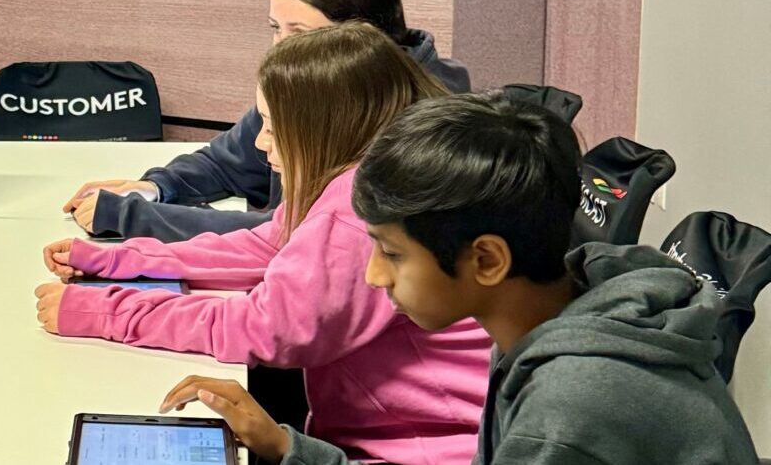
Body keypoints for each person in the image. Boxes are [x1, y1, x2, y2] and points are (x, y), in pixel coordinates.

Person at [162, 92, 761, 465]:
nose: (373, 276)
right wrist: (289, 448)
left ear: (487, 262)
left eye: (392, 254)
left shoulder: (573, 410)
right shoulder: (560, 317)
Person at [36, 23, 489, 465]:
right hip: (392, 435)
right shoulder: (366, 170)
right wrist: (120, 260)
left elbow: (262, 328)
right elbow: (264, 245)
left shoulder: (359, 210)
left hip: (423, 449)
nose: (260, 142)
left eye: (272, 126)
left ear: (323, 127)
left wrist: (102, 311)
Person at [67, 0, 471, 242]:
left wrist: (140, 218)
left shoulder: (418, 124)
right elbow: (228, 161)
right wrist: (155, 188)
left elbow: (294, 233)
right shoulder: (313, 83)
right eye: (275, 28)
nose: (280, 47)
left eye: (300, 33)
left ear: (358, 39)